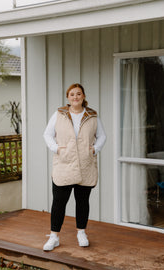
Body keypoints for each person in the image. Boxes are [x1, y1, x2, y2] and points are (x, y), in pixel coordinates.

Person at [43, 83, 106, 251]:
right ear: (68, 97)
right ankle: (54, 236)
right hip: (64, 164)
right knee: (58, 203)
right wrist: (56, 148)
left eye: (78, 94)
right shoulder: (59, 114)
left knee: (82, 201)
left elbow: (102, 136)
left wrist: (95, 149)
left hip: (85, 165)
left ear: (83, 96)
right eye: (72, 94)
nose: (75, 97)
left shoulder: (92, 115)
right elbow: (47, 134)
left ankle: (81, 233)